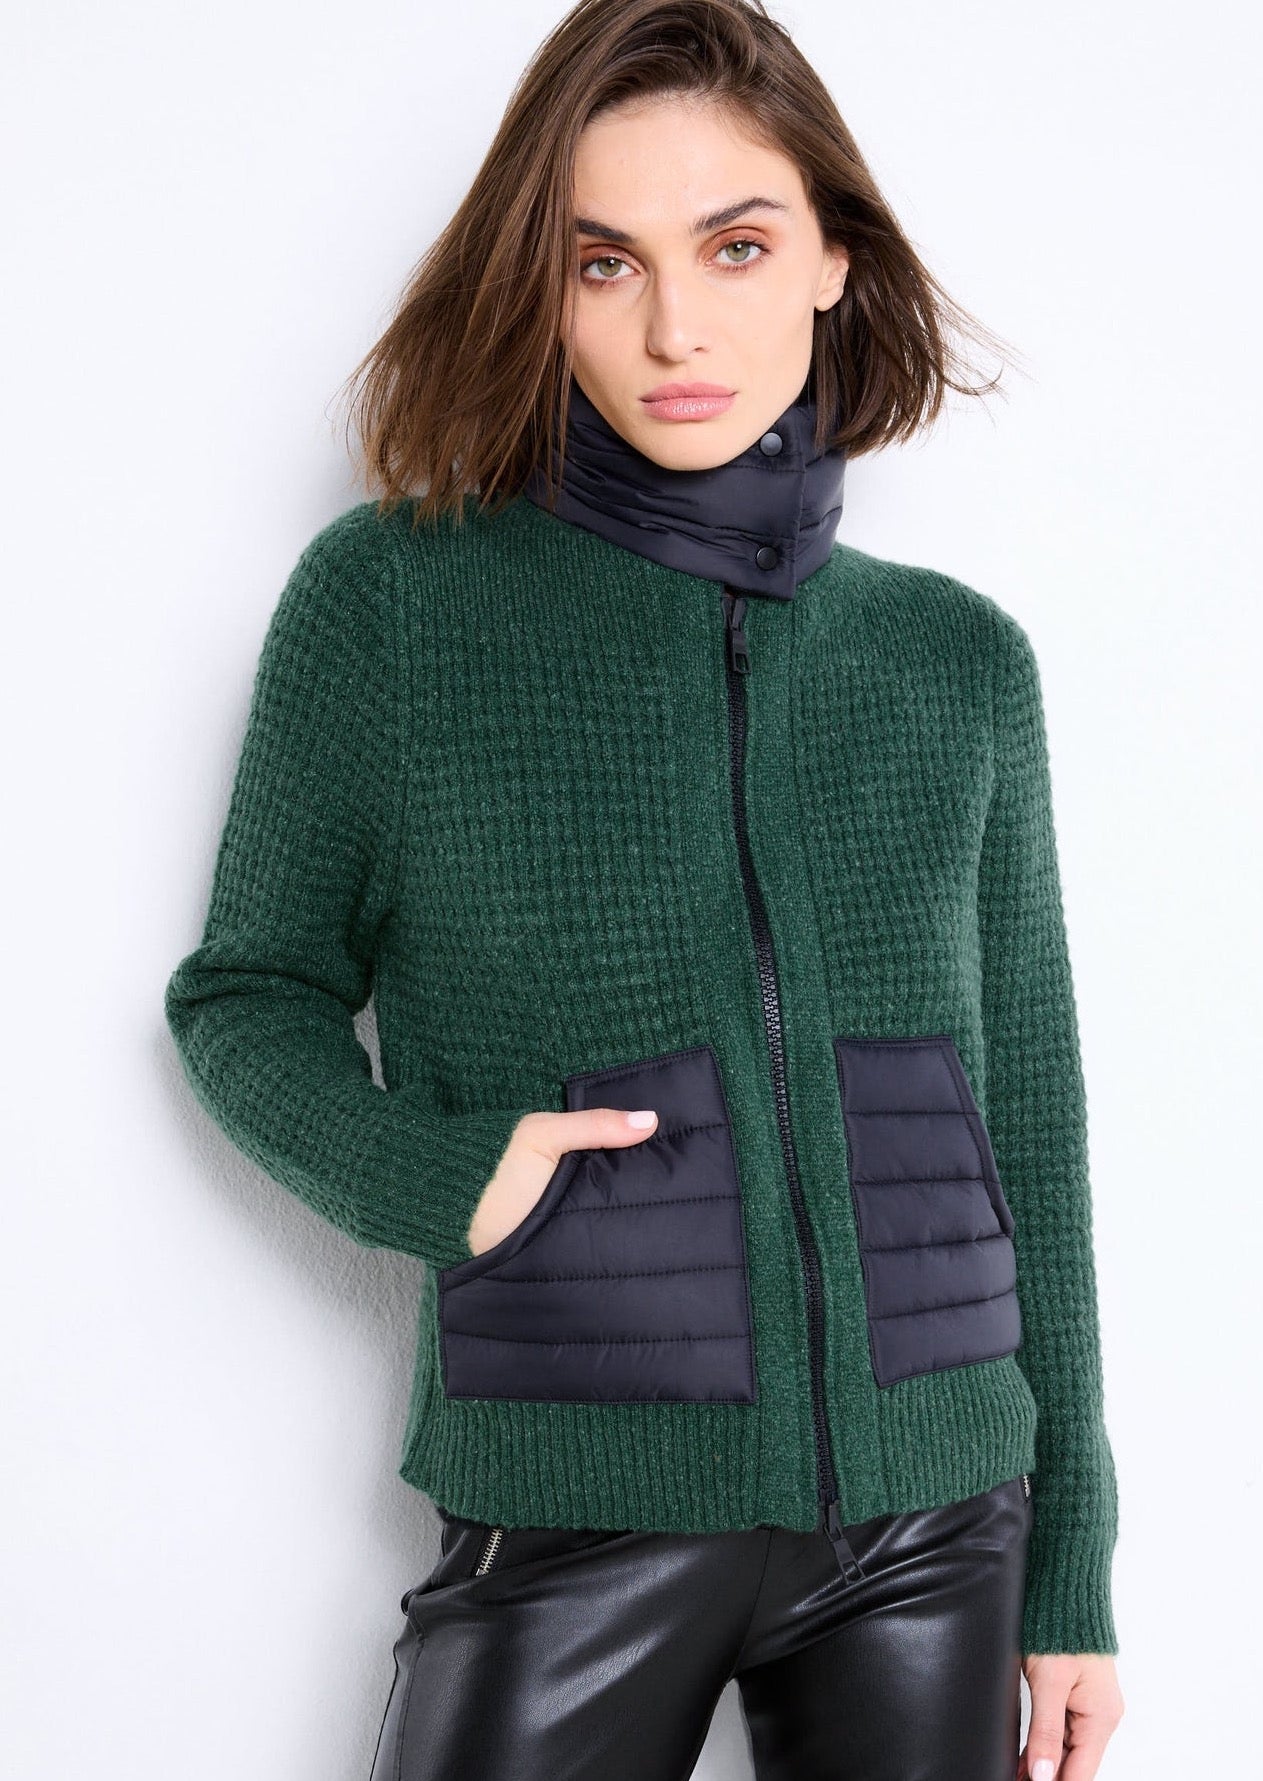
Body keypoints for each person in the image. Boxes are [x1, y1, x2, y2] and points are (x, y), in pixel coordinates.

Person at [163, 1, 1126, 1776]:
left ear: (833, 258)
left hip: (935, 1527)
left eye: (735, 246)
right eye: (604, 263)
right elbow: (245, 996)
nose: (676, 326)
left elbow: (1034, 1127)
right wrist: (444, 1175)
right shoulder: (393, 605)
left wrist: (1072, 1566)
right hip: (576, 1503)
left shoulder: (955, 659)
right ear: (541, 289)